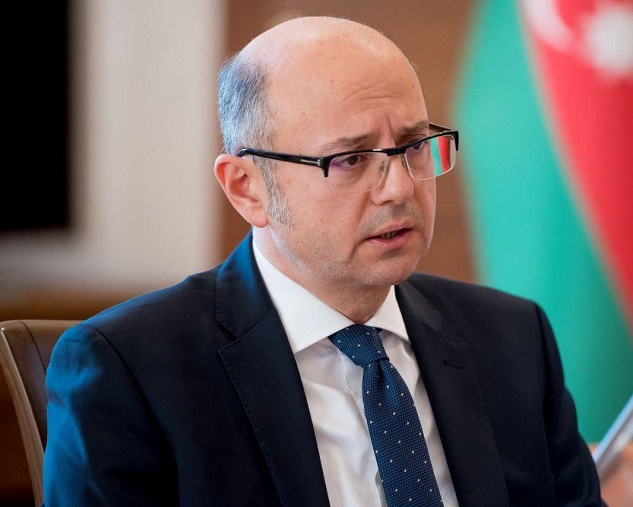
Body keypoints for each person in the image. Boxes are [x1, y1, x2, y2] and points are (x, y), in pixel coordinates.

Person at [43, 16, 604, 507]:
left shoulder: (512, 338)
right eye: (351, 159)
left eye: (413, 146)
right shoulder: (130, 372)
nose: (399, 188)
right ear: (247, 188)